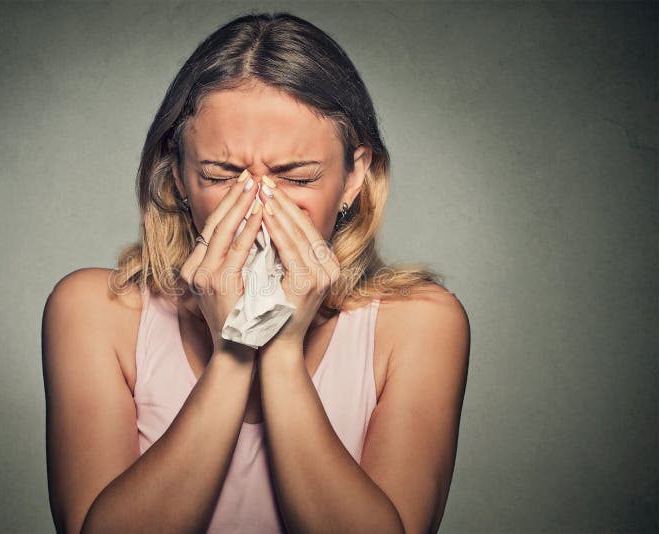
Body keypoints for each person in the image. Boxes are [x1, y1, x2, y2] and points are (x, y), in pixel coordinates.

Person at [41, 11, 470, 534]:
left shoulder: (420, 324)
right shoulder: (95, 311)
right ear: (177, 174)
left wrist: (283, 353)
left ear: (354, 176)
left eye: (297, 177)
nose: (257, 208)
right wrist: (234, 352)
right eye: (222, 175)